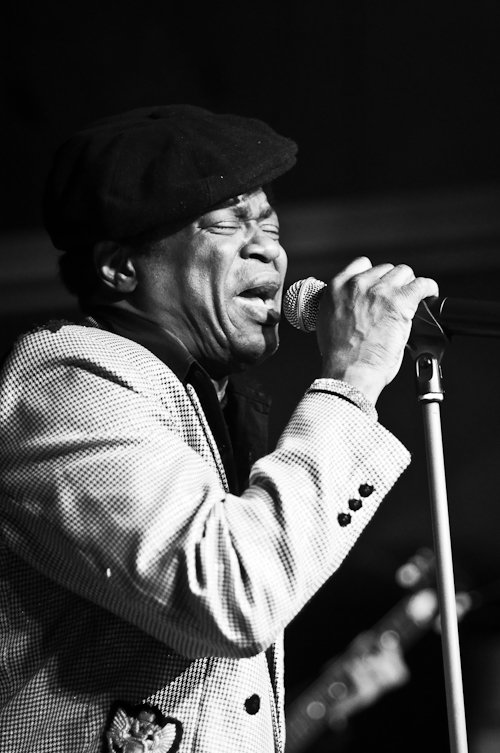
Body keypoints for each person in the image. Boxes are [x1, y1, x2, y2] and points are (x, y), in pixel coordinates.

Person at [0, 104, 438, 753]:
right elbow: (233, 594)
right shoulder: (69, 379)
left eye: (270, 224)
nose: (268, 247)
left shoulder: (200, 401)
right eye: (227, 222)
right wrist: (353, 378)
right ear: (120, 265)